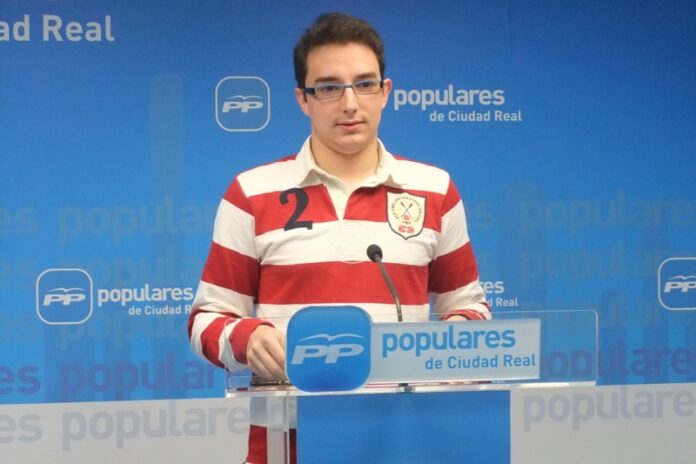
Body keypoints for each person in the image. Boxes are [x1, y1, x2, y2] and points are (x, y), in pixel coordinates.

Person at [188, 12, 490, 464]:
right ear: (303, 99)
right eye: (328, 88)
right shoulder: (251, 192)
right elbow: (205, 320)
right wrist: (247, 338)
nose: (349, 103)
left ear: (385, 92)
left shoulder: (435, 189)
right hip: (287, 440)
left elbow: (471, 307)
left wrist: (459, 336)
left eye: (364, 84)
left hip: (406, 435)